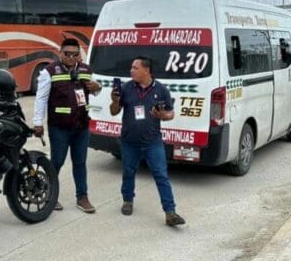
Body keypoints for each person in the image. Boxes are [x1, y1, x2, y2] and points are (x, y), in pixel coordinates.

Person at [109, 56, 186, 227]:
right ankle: (127, 201)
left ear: (147, 70)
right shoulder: (127, 88)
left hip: (153, 142)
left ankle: (170, 212)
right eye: (131, 67)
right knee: (128, 172)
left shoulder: (161, 90)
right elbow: (114, 111)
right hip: (130, 141)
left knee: (161, 175)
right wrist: (114, 101)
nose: (131, 71)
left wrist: (163, 115)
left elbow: (171, 113)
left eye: (135, 68)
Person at [33, 38, 102, 213]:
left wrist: (97, 87)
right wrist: (37, 123)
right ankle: (49, 195)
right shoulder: (49, 71)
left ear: (79, 54)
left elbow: (94, 90)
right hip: (59, 127)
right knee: (57, 161)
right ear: (60, 53)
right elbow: (41, 98)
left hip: (81, 126)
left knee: (80, 162)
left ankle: (82, 197)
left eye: (74, 54)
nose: (71, 57)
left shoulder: (86, 70)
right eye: (67, 54)